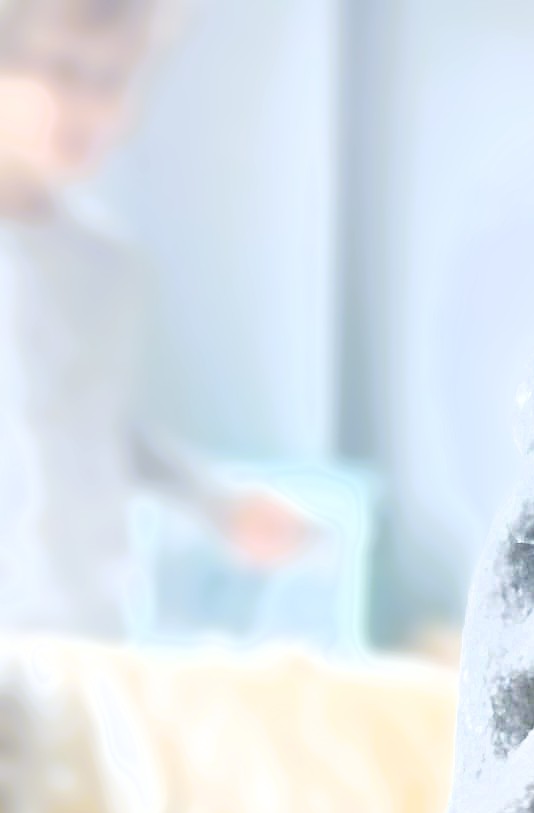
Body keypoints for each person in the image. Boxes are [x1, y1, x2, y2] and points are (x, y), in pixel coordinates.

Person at [0, 0, 309, 636]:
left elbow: (92, 429)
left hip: (79, 633)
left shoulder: (105, 270)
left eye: (110, 79)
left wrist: (217, 504)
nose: (84, 104)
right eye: (60, 69)